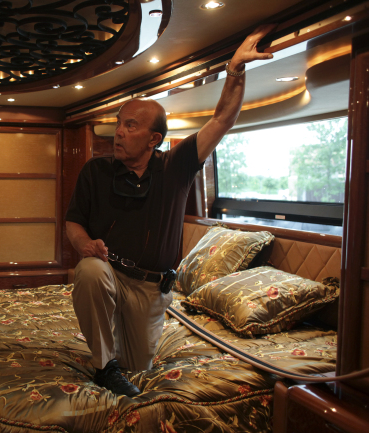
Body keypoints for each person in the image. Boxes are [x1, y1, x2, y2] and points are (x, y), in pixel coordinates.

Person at [65, 25, 276, 397]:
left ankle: (117, 359)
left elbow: (222, 119)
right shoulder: (95, 171)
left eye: (129, 126)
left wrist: (235, 70)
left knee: (139, 365)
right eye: (118, 124)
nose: (117, 132)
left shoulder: (175, 167)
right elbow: (73, 223)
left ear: (154, 139)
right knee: (90, 271)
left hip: (150, 288)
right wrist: (83, 244)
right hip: (108, 274)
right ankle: (104, 365)